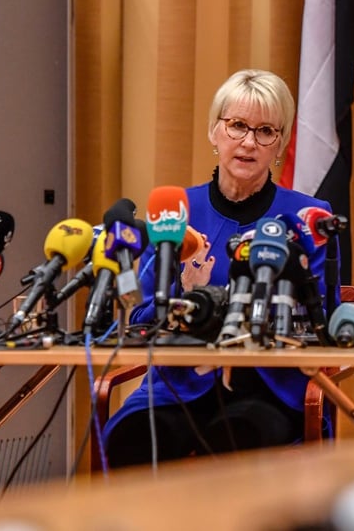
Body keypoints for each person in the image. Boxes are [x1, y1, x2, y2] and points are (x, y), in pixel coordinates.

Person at [103, 69, 335, 467]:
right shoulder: (178, 211)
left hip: (269, 387)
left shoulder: (307, 215)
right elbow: (141, 318)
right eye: (237, 126)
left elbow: (320, 321)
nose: (248, 142)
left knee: (235, 437)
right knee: (130, 439)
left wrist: (219, 303)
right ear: (214, 131)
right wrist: (186, 292)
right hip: (178, 385)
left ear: (279, 144)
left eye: (266, 131)